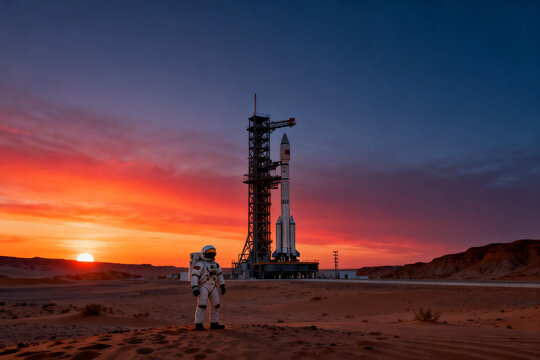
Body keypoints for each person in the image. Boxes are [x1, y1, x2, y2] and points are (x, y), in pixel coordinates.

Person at [191, 245, 226, 330]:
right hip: (204, 285)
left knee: (216, 305)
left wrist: (222, 285)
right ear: (204, 254)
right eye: (209, 253)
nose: (211, 254)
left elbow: (220, 275)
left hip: (213, 286)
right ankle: (198, 324)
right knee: (202, 305)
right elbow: (194, 276)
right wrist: (195, 287)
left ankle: (214, 323)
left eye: (213, 253)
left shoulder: (216, 265)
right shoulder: (200, 264)